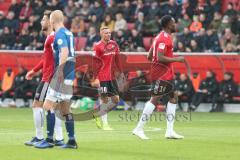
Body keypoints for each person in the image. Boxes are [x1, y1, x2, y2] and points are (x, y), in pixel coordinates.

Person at [132, 15, 185, 140]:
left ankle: (170, 131)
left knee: (173, 98)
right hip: (162, 75)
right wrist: (177, 59)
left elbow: (150, 55)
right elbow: (160, 57)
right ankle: (139, 128)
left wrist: (157, 63)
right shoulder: (164, 39)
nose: (175, 25)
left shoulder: (159, 37)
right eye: (173, 23)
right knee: (154, 100)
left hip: (166, 74)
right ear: (168, 25)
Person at [35, 10, 77, 149]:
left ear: (52, 21)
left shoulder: (59, 34)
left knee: (47, 106)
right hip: (70, 75)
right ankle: (71, 140)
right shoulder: (69, 33)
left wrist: (59, 71)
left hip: (62, 74)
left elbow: (64, 51)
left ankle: (49, 140)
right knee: (65, 109)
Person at [24, 11, 64, 147]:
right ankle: (59, 138)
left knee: (37, 105)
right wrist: (34, 71)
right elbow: (46, 59)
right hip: (52, 77)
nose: (41, 22)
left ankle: (40, 137)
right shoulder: (52, 38)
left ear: (50, 22)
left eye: (43, 19)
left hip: (49, 78)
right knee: (54, 107)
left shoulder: (52, 38)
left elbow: (59, 57)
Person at [93, 26, 123, 130]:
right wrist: (95, 78)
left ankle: (97, 113)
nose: (108, 34)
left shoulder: (114, 44)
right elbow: (95, 64)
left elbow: (118, 59)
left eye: (109, 33)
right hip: (102, 78)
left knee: (116, 99)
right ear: (101, 34)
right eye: (106, 33)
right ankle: (105, 124)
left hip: (112, 77)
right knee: (104, 99)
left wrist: (121, 72)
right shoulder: (98, 46)